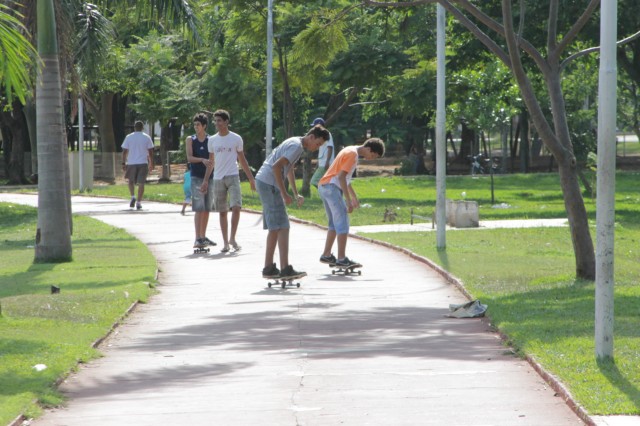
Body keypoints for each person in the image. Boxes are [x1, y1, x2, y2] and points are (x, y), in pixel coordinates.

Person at [255, 125, 330, 279]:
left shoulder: (296, 143)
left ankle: (269, 268)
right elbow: (276, 167)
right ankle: (284, 269)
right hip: (269, 183)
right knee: (282, 226)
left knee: (276, 227)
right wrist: (284, 193)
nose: (317, 148)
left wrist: (295, 193)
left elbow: (288, 169)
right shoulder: (296, 146)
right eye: (318, 144)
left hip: (265, 182)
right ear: (311, 137)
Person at [318, 137, 385, 268]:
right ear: (369, 149)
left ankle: (326, 255)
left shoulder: (350, 150)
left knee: (333, 223)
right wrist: (348, 201)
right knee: (342, 222)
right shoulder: (353, 155)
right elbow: (341, 177)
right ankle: (342, 259)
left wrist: (354, 197)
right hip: (331, 187)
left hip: (324, 186)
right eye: (373, 155)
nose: (372, 159)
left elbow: (345, 179)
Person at [202, 109, 256, 252]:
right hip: (218, 178)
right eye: (215, 121)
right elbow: (211, 161)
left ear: (226, 122)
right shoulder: (212, 140)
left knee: (236, 207)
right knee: (222, 211)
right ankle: (225, 242)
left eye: (219, 120)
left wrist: (251, 178)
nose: (217, 123)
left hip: (233, 176)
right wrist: (206, 180)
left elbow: (242, 159)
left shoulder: (236, 138)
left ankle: (233, 238)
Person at [186, 112, 216, 248]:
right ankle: (197, 237)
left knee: (207, 208)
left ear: (204, 126)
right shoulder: (190, 140)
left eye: (198, 124)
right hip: (196, 176)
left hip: (209, 177)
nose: (196, 127)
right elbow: (189, 158)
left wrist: (206, 180)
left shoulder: (211, 140)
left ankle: (203, 236)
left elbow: (212, 161)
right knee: (199, 207)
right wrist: (201, 160)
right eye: (194, 124)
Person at [122, 121, 154, 210]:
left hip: (131, 162)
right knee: (141, 183)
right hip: (143, 162)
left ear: (134, 127)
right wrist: (151, 163)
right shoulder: (147, 137)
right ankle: (139, 202)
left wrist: (123, 163)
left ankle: (133, 196)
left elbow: (124, 151)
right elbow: (150, 152)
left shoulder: (129, 137)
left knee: (131, 181)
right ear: (142, 128)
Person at [309, 117, 335, 188]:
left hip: (325, 163)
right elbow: (321, 151)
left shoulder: (327, 134)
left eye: (315, 126)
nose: (314, 128)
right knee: (324, 181)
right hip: (322, 163)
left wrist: (327, 161)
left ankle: (326, 193)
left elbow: (330, 147)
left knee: (314, 181)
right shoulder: (320, 135)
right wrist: (318, 163)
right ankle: (327, 194)